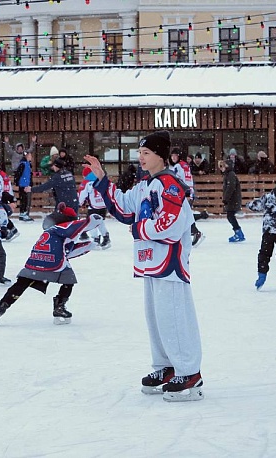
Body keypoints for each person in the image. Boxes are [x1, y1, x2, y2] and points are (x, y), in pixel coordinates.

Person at [85, 130, 204, 403]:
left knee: (173, 316)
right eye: (140, 153)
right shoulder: (144, 185)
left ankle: (189, 371)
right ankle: (166, 365)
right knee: (156, 317)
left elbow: (172, 224)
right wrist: (102, 177)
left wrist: (140, 228)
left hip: (169, 261)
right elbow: (124, 208)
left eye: (146, 153)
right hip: (150, 260)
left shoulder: (170, 184)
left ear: (160, 156)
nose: (141, 157)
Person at [0, 203, 103, 326]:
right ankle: (59, 307)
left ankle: (0, 307)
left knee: (22, 283)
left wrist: (88, 245)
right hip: (52, 261)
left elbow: (66, 252)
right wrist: (93, 219)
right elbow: (86, 223)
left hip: (35, 261)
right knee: (69, 279)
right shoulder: (65, 226)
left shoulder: (50, 231)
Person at [170, 149, 205, 247]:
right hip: (189, 193)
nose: (173, 157)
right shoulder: (185, 165)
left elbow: (174, 179)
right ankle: (192, 233)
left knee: (182, 216)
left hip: (183, 194)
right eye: (172, 156)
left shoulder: (177, 166)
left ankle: (194, 232)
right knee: (185, 215)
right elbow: (188, 179)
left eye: (175, 155)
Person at [78, 166, 111, 249]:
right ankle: (106, 237)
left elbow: (82, 194)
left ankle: (95, 239)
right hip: (103, 205)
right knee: (100, 221)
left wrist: (80, 203)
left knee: (91, 222)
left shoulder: (87, 183)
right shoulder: (101, 179)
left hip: (94, 206)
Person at [0, 158, 19, 241]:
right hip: (1, 197)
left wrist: (9, 199)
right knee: (1, 214)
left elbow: (6, 188)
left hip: (6, 196)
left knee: (1, 214)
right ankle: (8, 231)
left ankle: (10, 230)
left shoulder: (2, 175)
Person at [219, 159, 244, 243]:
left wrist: (226, 198)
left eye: (222, 166)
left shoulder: (230, 174)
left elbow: (231, 187)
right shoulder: (228, 174)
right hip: (232, 199)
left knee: (230, 216)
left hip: (233, 200)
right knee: (230, 216)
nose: (221, 168)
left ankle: (239, 233)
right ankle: (238, 232)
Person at [13, 150, 34, 221]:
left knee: (25, 200)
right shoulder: (23, 164)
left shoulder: (28, 164)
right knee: (23, 199)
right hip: (23, 184)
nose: (31, 157)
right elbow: (18, 174)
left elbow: (29, 175)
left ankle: (24, 213)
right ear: (26, 156)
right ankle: (22, 213)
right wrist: (16, 182)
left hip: (26, 184)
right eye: (30, 155)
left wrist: (30, 183)